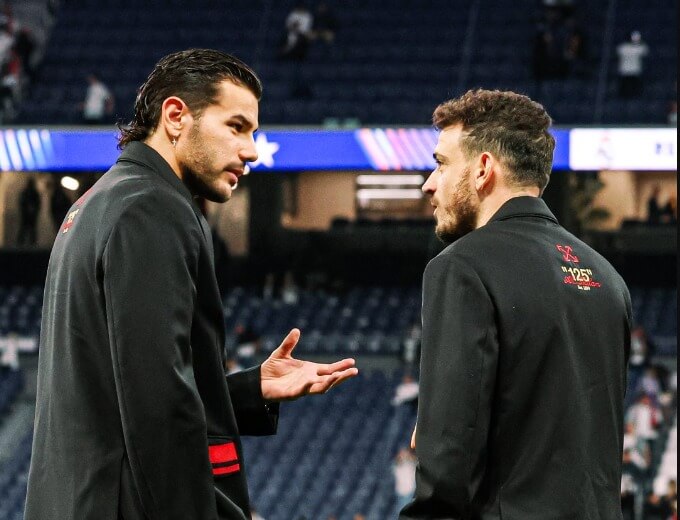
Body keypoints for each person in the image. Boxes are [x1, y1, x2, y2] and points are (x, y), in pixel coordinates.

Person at [24, 49, 358, 520]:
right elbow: (157, 407)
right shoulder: (152, 207)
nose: (252, 151)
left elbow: (122, 390)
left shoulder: (102, 199)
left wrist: (247, 390)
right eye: (236, 127)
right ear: (176, 116)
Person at [401, 89, 631, 519]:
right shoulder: (607, 276)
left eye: (440, 163)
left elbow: (450, 455)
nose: (428, 183)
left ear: (483, 169)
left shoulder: (461, 267)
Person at [616, 30, 648, 98]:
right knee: (624, 90)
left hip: (634, 72)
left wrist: (637, 43)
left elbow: (645, 51)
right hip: (625, 72)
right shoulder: (623, 47)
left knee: (635, 90)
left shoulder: (636, 47)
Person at [17, 176, 41, 246]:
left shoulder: (31, 193)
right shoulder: (29, 193)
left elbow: (37, 203)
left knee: (30, 229)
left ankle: (28, 243)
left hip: (30, 214)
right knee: (26, 229)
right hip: (27, 214)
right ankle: (23, 243)